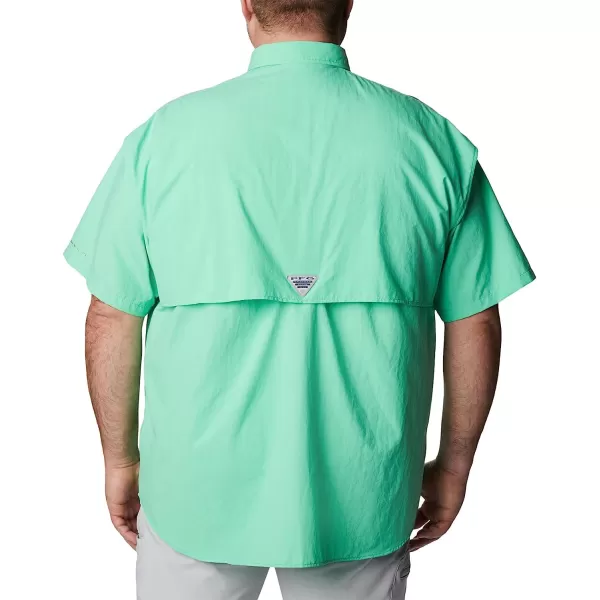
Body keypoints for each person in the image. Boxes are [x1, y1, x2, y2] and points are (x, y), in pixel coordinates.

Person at [64, 1, 535, 598]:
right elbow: (476, 317)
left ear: (247, 5)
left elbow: (111, 312)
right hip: (364, 494)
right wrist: (454, 464)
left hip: (194, 491)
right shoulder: (432, 141)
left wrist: (121, 461)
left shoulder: (163, 139)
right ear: (348, 4)